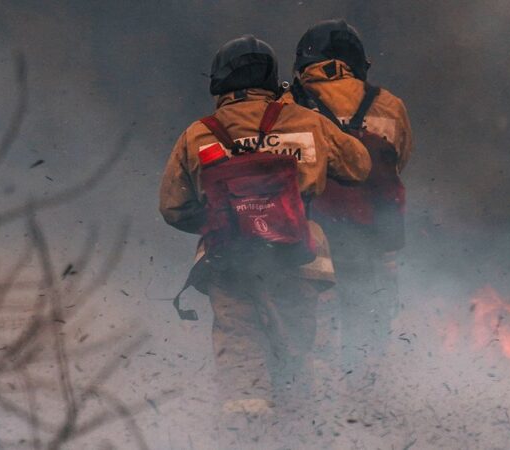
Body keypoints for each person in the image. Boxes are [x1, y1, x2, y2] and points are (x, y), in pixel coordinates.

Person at [159, 35, 371, 446]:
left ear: (218, 81)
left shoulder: (199, 133)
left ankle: (249, 439)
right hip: (302, 258)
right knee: (309, 354)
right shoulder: (306, 122)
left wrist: (230, 219)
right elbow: (359, 167)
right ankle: (316, 437)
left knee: (242, 358)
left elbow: (172, 207)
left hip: (229, 263)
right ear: (272, 79)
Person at [286, 19, 413, 387]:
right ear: (357, 61)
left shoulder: (286, 106)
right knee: (368, 332)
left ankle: (315, 421)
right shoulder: (389, 106)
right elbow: (398, 162)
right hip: (370, 236)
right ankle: (365, 417)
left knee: (312, 334)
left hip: (305, 238)